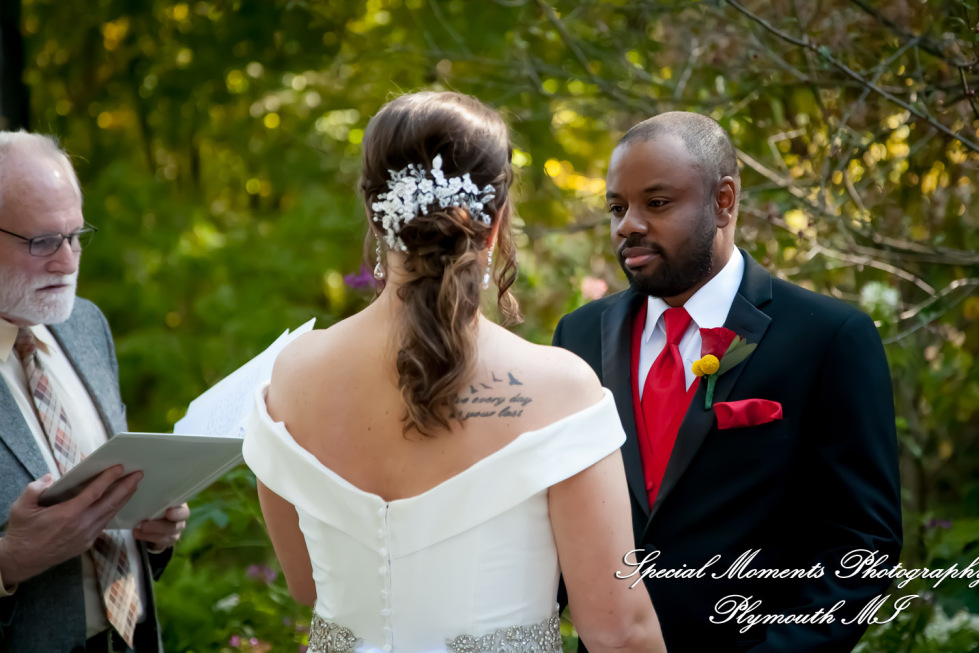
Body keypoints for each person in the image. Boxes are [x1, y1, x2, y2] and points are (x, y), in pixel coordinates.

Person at [243, 91, 665, 653]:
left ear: (375, 215)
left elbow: (302, 583)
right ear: (493, 225)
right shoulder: (561, 390)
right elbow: (618, 630)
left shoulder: (292, 375)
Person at [553, 112, 903, 652]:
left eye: (657, 203)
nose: (628, 225)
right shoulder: (577, 336)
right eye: (618, 208)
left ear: (724, 200)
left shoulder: (828, 337)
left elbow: (863, 549)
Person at [0, 131, 189, 653]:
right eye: (41, 243)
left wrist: (152, 532)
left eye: (76, 235)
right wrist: (8, 561)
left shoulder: (84, 325)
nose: (67, 263)